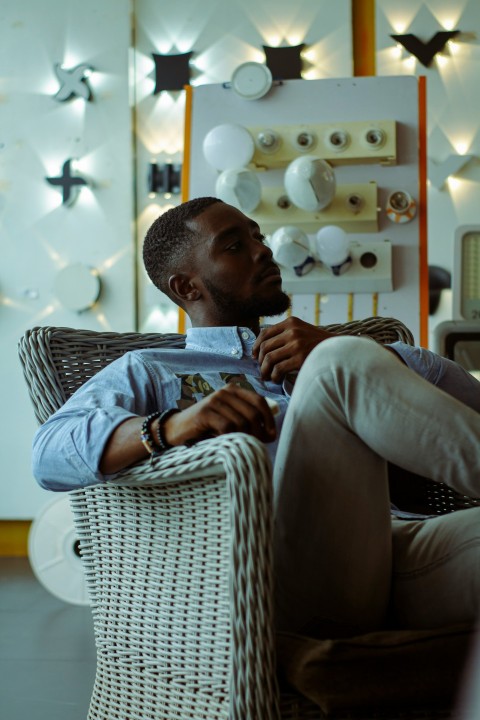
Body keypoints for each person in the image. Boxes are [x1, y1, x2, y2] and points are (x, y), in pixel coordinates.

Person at [32, 196, 480, 638]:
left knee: (340, 357)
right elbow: (49, 453)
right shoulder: (153, 368)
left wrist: (359, 353)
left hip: (399, 550)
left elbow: (469, 400)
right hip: (285, 577)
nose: (263, 250)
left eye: (257, 237)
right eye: (233, 246)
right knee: (340, 358)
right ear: (187, 287)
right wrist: (170, 426)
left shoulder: (319, 348)